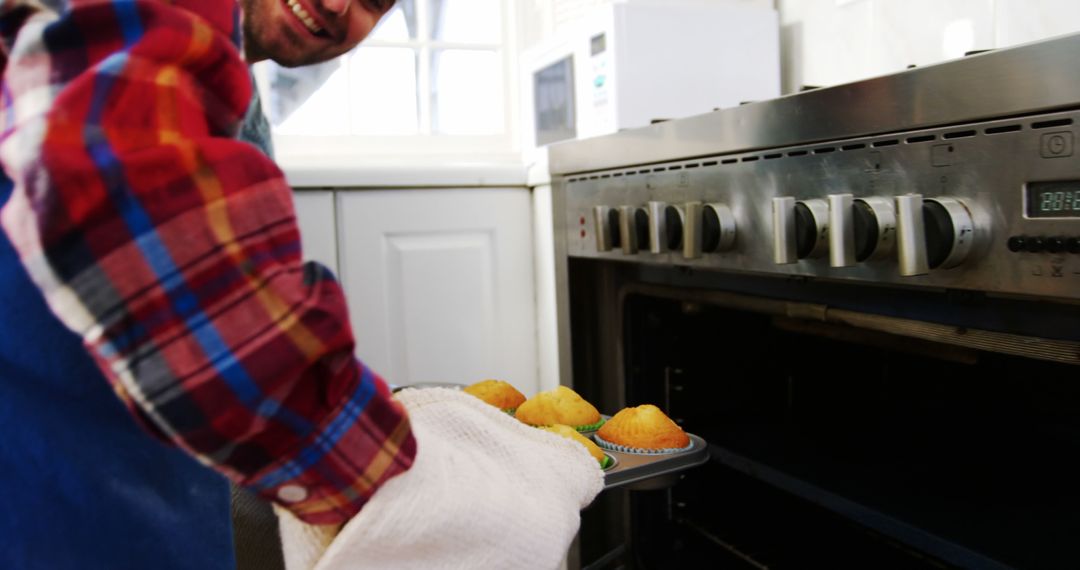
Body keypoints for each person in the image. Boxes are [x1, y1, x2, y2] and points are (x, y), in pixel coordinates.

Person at [0, 1, 602, 569]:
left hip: (156, 497)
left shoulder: (239, 110)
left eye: (374, 0)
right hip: (46, 495)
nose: (340, 5)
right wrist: (414, 487)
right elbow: (181, 283)